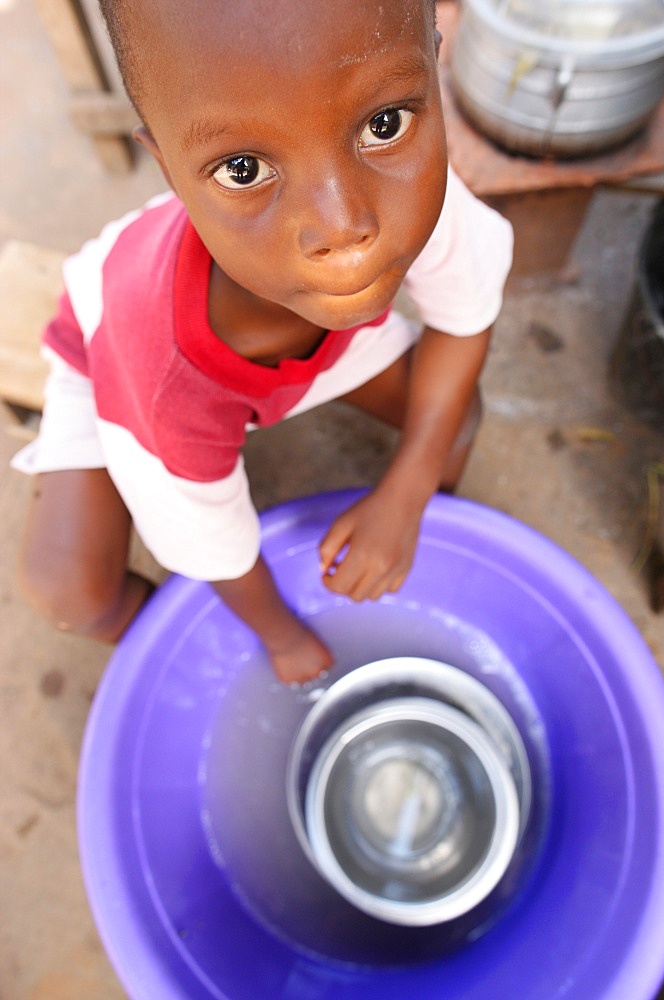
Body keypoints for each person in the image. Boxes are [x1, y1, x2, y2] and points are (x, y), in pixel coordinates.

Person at [12, 0, 513, 685]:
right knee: (69, 591)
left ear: (432, 60)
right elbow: (210, 544)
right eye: (242, 168)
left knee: (456, 420)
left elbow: (464, 313)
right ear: (165, 164)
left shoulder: (407, 188)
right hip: (116, 356)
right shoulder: (158, 371)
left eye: (382, 123)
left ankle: (427, 534)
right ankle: (195, 653)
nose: (342, 225)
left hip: (318, 332)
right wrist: (282, 640)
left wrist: (407, 493)